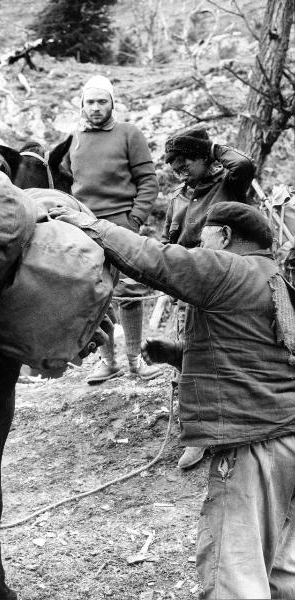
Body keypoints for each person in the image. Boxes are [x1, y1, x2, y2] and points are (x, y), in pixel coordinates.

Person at [49, 200, 295, 600]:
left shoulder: (227, 267)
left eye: (202, 238)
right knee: (281, 570)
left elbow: (155, 259)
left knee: (234, 573)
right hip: (287, 439)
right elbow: (252, 357)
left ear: (226, 236)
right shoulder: (275, 279)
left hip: (254, 448)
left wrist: (88, 224)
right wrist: (175, 353)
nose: (197, 246)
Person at [162, 128, 255, 469]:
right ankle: (197, 434)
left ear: (204, 157)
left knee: (234, 354)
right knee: (187, 358)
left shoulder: (229, 185)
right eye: (173, 162)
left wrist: (212, 147)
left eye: (185, 159)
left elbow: (244, 162)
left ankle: (241, 428)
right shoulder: (177, 199)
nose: (178, 168)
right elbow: (168, 243)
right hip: (190, 286)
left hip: (230, 283)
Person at [63, 74, 162, 384]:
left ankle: (136, 361)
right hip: (83, 225)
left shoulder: (129, 134)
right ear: (82, 104)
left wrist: (134, 219)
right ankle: (108, 362)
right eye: (90, 102)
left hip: (122, 223)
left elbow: (148, 180)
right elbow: (67, 182)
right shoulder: (73, 139)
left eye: (102, 101)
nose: (95, 108)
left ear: (112, 104)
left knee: (130, 291)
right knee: (93, 292)